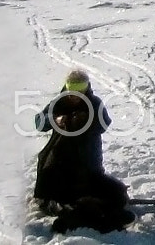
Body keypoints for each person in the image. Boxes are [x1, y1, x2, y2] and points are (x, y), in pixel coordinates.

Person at [32, 70, 133, 234]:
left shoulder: (94, 104)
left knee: (117, 193)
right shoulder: (59, 103)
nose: (74, 97)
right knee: (68, 202)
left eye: (79, 92)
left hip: (88, 170)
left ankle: (101, 212)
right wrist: (55, 120)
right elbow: (39, 122)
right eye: (72, 92)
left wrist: (85, 119)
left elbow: (104, 124)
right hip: (60, 171)